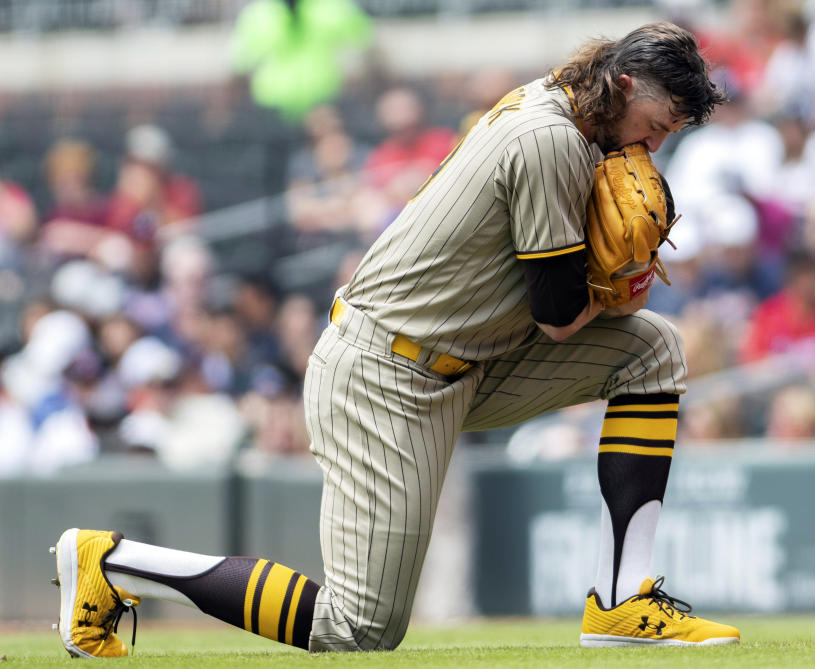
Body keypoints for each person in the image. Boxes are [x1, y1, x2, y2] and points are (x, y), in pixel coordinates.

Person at [52, 23, 738, 658]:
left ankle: (622, 601)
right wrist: (626, 278)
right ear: (622, 84)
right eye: (656, 124)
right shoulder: (548, 138)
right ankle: (109, 563)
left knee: (652, 351)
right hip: (386, 375)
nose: (656, 145)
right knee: (360, 626)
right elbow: (559, 316)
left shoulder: (566, 108)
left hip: (465, 358)